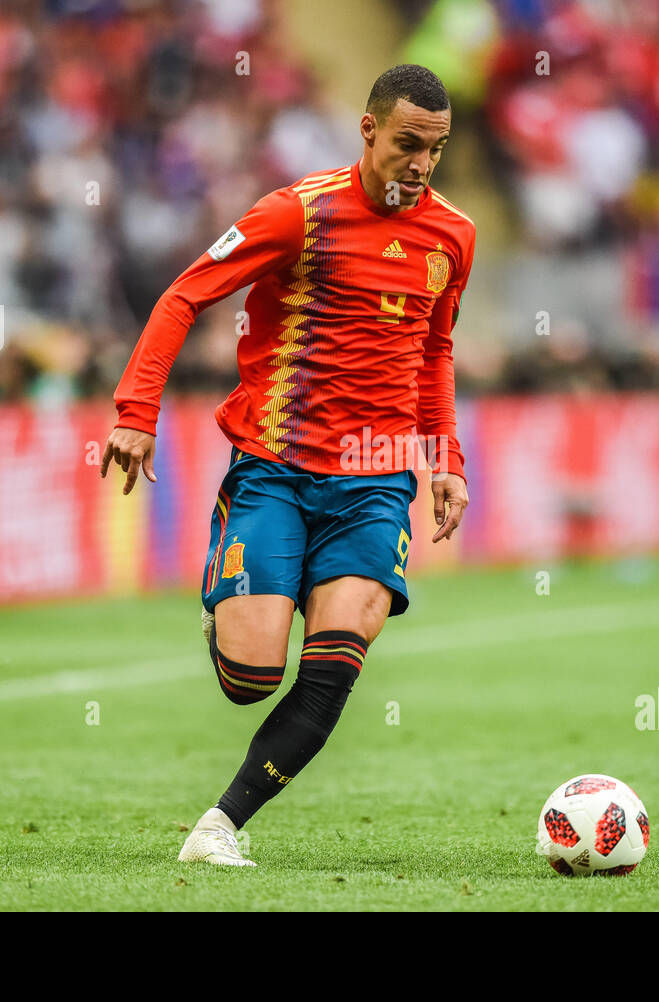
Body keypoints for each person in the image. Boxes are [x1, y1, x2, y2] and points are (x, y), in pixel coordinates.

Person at [99, 65, 475, 866]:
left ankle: (219, 826)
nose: (420, 164)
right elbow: (182, 297)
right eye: (407, 144)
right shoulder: (297, 213)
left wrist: (445, 458)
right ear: (368, 131)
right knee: (250, 676)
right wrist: (137, 414)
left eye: (435, 150)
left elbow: (434, 352)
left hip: (377, 481)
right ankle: (233, 606)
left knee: (337, 658)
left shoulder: (454, 236)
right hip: (277, 468)